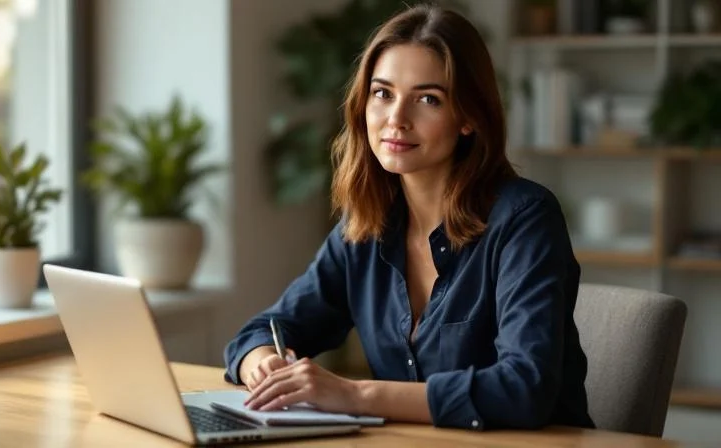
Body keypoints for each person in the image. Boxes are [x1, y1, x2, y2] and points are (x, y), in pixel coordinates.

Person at [223, 4, 595, 431]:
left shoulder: (524, 219)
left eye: (427, 99)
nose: (396, 119)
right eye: (383, 93)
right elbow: (263, 330)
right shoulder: (365, 226)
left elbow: (523, 388)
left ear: (469, 117)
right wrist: (264, 364)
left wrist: (356, 394)